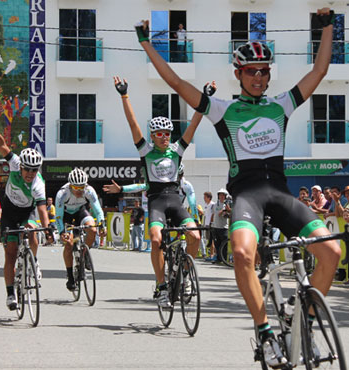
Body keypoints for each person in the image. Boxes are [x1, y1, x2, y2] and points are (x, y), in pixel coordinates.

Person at [134, 8, 341, 367]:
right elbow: (177, 84)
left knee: (332, 252)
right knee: (243, 254)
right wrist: (146, 44)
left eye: (264, 71)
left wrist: (327, 28)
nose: (259, 77)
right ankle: (264, 333)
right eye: (251, 71)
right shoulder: (222, 110)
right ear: (239, 74)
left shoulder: (282, 105)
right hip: (247, 196)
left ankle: (302, 319)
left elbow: (319, 71)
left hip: (281, 192)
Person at [113, 75, 200, 308]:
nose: (164, 137)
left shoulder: (176, 151)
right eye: (159, 133)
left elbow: (192, 127)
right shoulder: (146, 151)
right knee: (155, 239)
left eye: (167, 133)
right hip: (156, 202)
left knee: (195, 236)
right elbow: (133, 125)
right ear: (152, 136)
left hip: (175, 199)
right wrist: (124, 95)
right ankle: (162, 286)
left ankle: (184, 273)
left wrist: (204, 103)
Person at [0, 103, 53, 310]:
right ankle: (11, 293)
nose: (30, 173)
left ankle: (34, 261)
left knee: (33, 231)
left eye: (34, 170)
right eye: (27, 169)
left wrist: (47, 227)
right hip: (10, 212)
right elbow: (2, 144)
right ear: (21, 166)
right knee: (10, 253)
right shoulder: (14, 163)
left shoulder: (38, 183)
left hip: (27, 211)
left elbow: (41, 208)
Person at [55, 168, 105, 291]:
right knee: (69, 244)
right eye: (76, 188)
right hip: (65, 215)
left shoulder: (89, 190)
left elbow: (98, 210)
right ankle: (70, 276)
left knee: (93, 230)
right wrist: (62, 232)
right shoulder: (62, 194)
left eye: (81, 187)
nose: (79, 191)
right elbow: (58, 216)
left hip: (80, 212)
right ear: (70, 185)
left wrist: (102, 225)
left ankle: (84, 253)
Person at [211, 188, 231, 264]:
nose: (221, 196)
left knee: (224, 244)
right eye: (220, 195)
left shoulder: (227, 205)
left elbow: (227, 215)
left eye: (223, 195)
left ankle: (224, 259)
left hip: (223, 227)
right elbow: (216, 214)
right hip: (216, 226)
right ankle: (218, 259)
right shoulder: (216, 204)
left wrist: (227, 210)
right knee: (217, 244)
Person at [203, 191, 215, 261]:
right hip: (206, 224)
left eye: (205, 197)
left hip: (211, 224)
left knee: (212, 240)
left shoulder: (212, 204)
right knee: (208, 240)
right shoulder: (206, 205)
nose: (204, 199)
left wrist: (211, 222)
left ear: (209, 198)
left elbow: (213, 214)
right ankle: (210, 254)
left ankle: (212, 255)